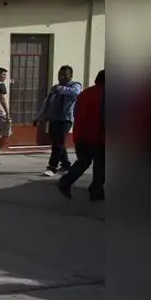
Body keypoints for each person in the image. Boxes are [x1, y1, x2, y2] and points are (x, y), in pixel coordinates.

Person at [59, 69, 105, 201]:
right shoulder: (105, 94)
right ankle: (96, 190)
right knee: (101, 165)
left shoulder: (85, 93)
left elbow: (76, 112)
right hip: (98, 136)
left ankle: (65, 182)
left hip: (81, 134)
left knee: (83, 162)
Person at [35, 65, 83, 177]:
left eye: (64, 75)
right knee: (57, 143)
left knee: (58, 143)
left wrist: (61, 89)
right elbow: (46, 103)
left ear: (70, 75)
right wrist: (39, 117)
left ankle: (52, 167)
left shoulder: (74, 85)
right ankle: (66, 164)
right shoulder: (55, 88)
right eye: (59, 74)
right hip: (53, 118)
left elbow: (76, 93)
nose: (61, 77)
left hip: (65, 119)